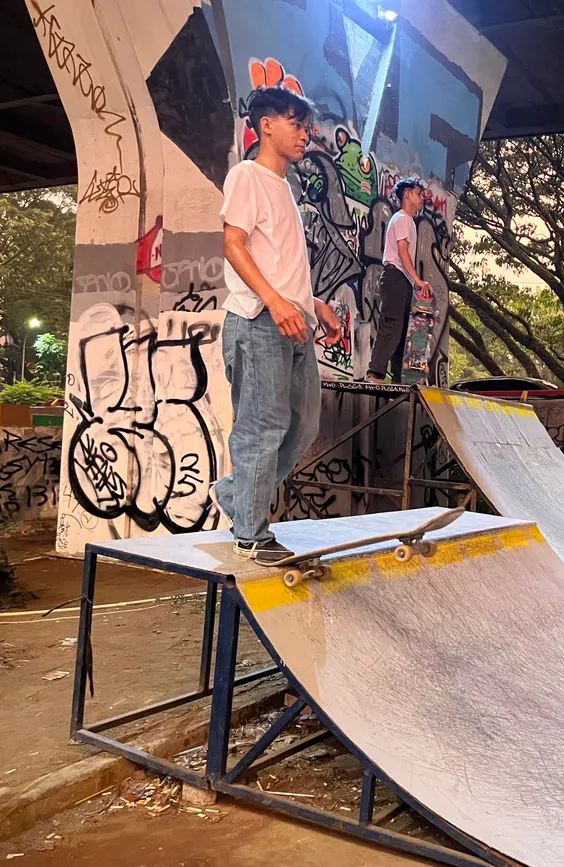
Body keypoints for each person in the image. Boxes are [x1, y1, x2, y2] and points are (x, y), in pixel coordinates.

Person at [210, 86, 341, 562]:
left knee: (302, 426)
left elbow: (279, 260)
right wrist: (275, 301)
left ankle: (234, 494)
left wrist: (313, 303)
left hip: (295, 319)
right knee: (262, 426)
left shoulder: (286, 187)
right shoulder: (247, 175)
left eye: (306, 126)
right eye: (295, 123)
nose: (304, 133)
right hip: (260, 319)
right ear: (265, 124)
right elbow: (234, 244)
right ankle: (251, 533)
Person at [365, 178, 433, 383]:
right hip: (395, 277)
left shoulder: (408, 221)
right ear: (407, 195)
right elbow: (403, 252)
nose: (422, 199)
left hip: (402, 281)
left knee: (403, 331)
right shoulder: (402, 219)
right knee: (391, 326)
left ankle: (398, 379)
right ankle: (374, 374)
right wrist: (417, 280)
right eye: (418, 194)